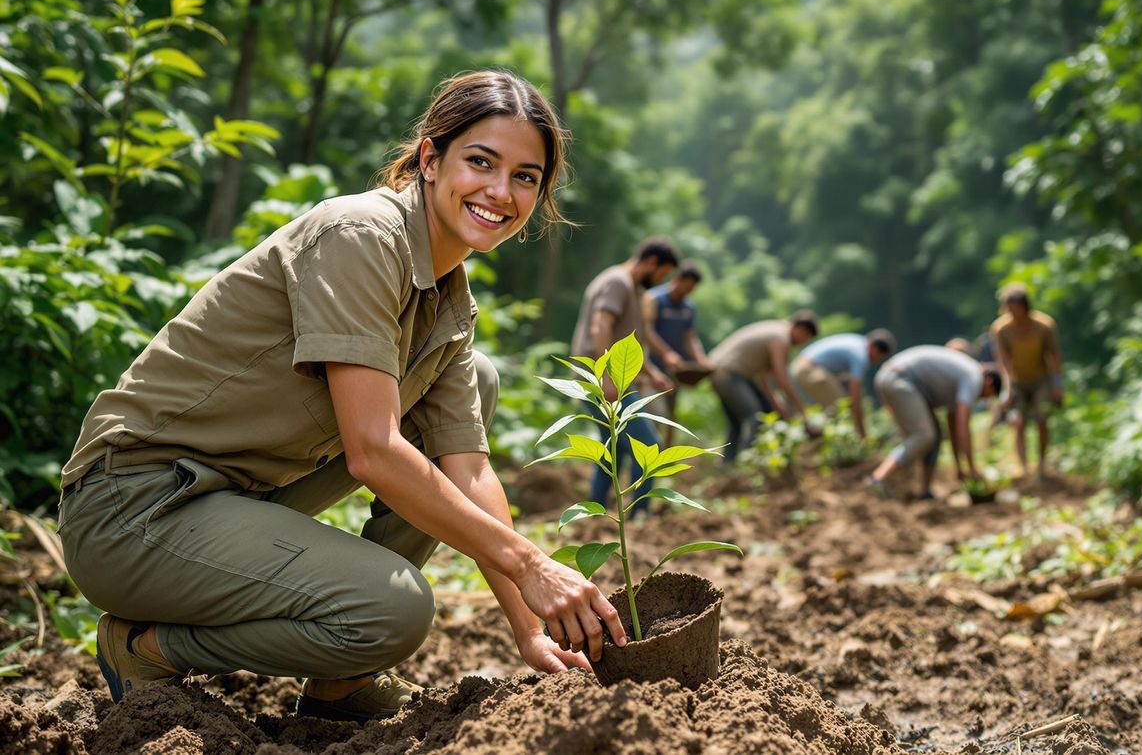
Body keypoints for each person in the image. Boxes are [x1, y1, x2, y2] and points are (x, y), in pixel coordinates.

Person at [56, 71, 626, 722]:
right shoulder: (360, 237)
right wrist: (530, 564)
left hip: (233, 497)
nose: (501, 191)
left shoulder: (448, 293)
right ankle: (146, 647)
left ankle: (339, 686)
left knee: (483, 378)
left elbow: (467, 470)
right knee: (394, 610)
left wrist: (529, 627)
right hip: (133, 507)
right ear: (430, 159)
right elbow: (373, 452)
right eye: (481, 162)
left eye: (527, 176)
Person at [570, 236, 679, 507]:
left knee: (613, 450)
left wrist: (651, 371)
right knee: (649, 449)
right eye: (661, 274)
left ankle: (598, 514)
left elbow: (627, 343)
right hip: (605, 381)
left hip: (613, 379)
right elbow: (601, 326)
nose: (659, 281)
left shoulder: (632, 288)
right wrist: (607, 378)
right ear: (651, 262)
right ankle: (640, 517)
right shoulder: (617, 281)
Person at [867, 345, 1002, 500]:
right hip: (900, 379)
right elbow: (963, 426)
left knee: (936, 435)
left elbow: (954, 427)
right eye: (986, 396)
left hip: (896, 378)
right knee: (924, 435)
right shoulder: (974, 378)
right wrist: (971, 468)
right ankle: (878, 478)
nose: (981, 398)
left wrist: (960, 468)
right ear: (989, 382)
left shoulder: (965, 376)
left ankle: (925, 491)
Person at [708, 312, 819, 464]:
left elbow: (764, 379)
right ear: (800, 330)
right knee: (756, 416)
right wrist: (802, 412)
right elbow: (782, 379)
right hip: (729, 374)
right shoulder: (781, 338)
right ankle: (747, 464)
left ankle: (728, 465)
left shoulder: (775, 329)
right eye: (805, 339)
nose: (802, 343)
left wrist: (778, 404)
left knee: (737, 422)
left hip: (718, 372)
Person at [990, 284, 1064, 478]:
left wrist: (1057, 384)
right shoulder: (1001, 329)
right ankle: (1023, 466)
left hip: (1041, 379)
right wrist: (1006, 388)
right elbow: (1003, 361)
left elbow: (1054, 355)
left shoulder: (1044, 325)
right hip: (1017, 381)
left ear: (1025, 306)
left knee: (1042, 419)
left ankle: (1041, 464)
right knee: (1018, 422)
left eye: (1017, 308)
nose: (1014, 313)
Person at [641, 261, 714, 441]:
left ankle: (666, 460)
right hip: (651, 369)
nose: (687, 292)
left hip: (674, 371)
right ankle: (644, 458)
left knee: (671, 417)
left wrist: (701, 359)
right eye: (686, 286)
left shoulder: (688, 307)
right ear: (677, 279)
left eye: (691, 289)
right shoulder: (654, 299)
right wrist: (666, 353)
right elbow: (646, 331)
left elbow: (689, 338)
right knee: (654, 414)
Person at [790, 329, 896, 440]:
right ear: (874, 348)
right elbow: (856, 398)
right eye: (880, 357)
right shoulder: (861, 355)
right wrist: (863, 434)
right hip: (808, 369)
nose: (876, 361)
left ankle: (812, 435)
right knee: (841, 407)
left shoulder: (857, 342)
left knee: (836, 406)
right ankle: (813, 439)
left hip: (801, 366)